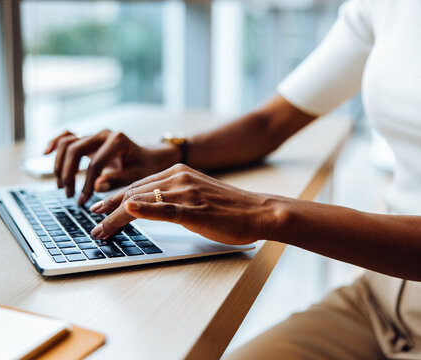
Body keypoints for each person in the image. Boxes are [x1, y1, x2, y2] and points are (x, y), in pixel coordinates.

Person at [44, 0, 421, 358]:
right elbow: (271, 121)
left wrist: (267, 212)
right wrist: (166, 154)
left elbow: (269, 197)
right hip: (380, 298)